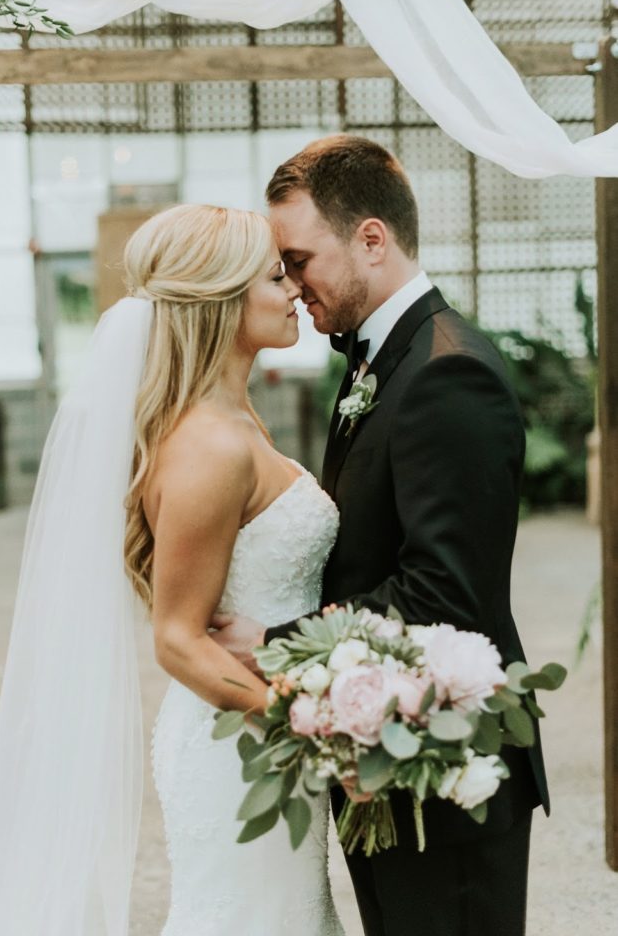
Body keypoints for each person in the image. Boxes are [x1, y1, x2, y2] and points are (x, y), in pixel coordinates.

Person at [0, 204, 345, 936]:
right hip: (241, 747)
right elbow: (177, 638)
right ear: (221, 300)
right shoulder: (209, 447)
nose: (293, 287)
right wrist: (310, 723)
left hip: (264, 733)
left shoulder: (238, 418)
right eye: (273, 275)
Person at [211, 135, 548, 936]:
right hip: (385, 751)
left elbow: (445, 593)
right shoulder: (377, 361)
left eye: (298, 259)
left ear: (371, 238)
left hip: (451, 770)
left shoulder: (446, 375)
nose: (291, 285)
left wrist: (278, 640)